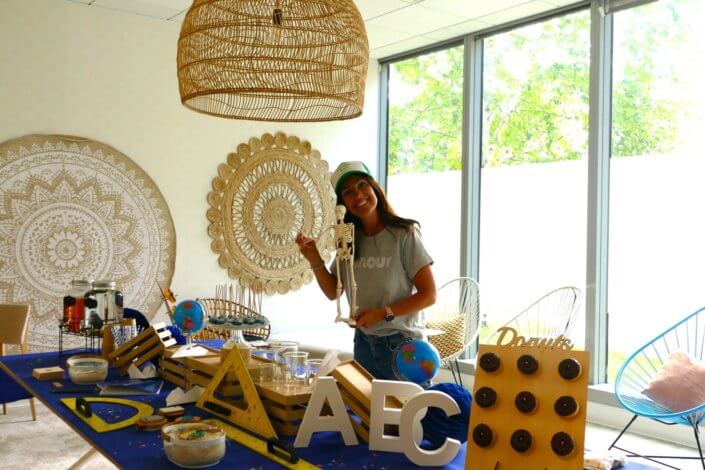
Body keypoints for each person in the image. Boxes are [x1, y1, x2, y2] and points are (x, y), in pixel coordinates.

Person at [295, 161, 436, 381]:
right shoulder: (349, 240)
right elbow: (334, 291)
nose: (358, 195)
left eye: (362, 185)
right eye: (348, 192)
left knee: (407, 414)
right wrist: (315, 259)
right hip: (364, 344)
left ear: (374, 187)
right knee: (368, 414)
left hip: (402, 347)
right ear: (343, 203)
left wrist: (383, 313)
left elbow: (429, 295)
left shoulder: (404, 234)